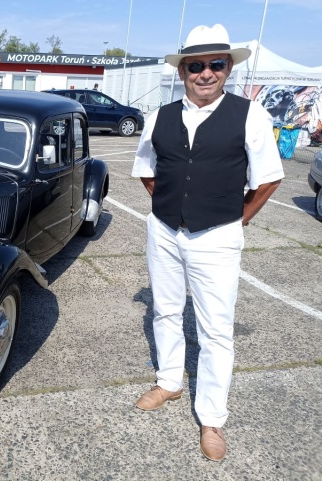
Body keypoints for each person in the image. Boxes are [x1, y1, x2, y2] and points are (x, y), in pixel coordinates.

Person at [131, 24, 284, 462]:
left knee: (216, 329)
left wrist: (238, 221)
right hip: (164, 230)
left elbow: (269, 178)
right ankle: (169, 382)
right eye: (196, 65)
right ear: (182, 71)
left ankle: (213, 417)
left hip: (218, 235)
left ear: (229, 67)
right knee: (165, 308)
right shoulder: (159, 116)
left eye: (216, 64)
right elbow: (146, 169)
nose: (206, 73)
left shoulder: (249, 114)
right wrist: (173, 205)